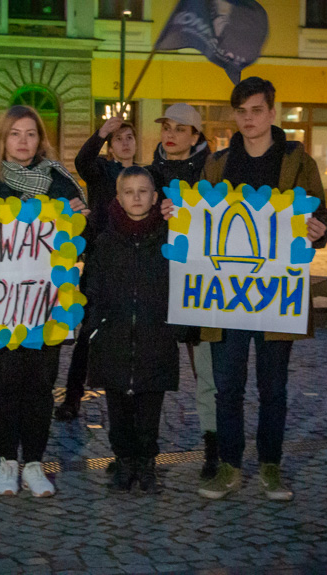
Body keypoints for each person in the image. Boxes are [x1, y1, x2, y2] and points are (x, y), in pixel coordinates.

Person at [161, 77, 327, 501]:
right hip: (226, 294)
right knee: (228, 385)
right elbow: (198, 215)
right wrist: (175, 213)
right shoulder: (218, 164)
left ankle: (271, 466)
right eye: (242, 111)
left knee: (273, 387)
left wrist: (318, 228)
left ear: (272, 112)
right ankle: (230, 465)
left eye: (257, 110)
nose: (249, 119)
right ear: (234, 115)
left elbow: (321, 217)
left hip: (277, 296)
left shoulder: (297, 161)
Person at [0, 105, 88, 497]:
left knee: (40, 384)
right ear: (2, 139)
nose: (23, 142)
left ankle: (35, 463)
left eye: (30, 134)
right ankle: (7, 461)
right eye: (15, 134)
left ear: (41, 139)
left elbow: (82, 229)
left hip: (48, 302)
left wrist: (77, 216)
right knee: (4, 383)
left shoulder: (60, 182)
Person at [85, 166, 179, 494]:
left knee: (150, 411)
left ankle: (146, 463)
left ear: (155, 197)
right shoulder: (106, 241)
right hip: (114, 341)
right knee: (118, 410)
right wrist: (97, 326)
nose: (136, 197)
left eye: (143, 191)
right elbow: (92, 287)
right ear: (119, 198)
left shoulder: (171, 238)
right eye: (129, 192)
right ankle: (124, 461)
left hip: (156, 340)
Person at [147, 103, 219, 479]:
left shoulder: (214, 172)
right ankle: (142, 451)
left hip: (202, 283)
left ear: (195, 136)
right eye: (166, 127)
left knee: (207, 373)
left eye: (180, 129)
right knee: (149, 373)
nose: (170, 134)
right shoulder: (149, 173)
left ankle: (213, 446)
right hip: (159, 282)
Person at [54, 117, 138, 422]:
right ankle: (72, 398)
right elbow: (82, 160)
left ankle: (129, 397)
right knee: (89, 332)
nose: (125, 142)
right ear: (112, 147)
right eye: (119, 139)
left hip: (135, 264)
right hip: (102, 261)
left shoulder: (147, 175)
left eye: (129, 137)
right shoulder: (102, 171)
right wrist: (101, 132)